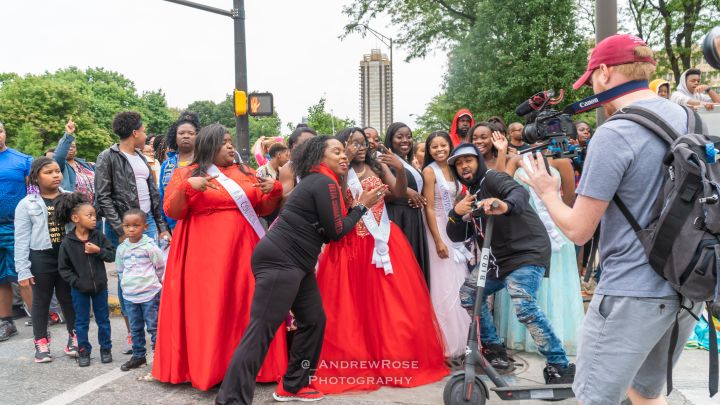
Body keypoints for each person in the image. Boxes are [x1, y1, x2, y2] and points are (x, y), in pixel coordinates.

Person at [520, 33, 703, 404]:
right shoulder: (690, 118)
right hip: (688, 287)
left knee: (594, 397)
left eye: (590, 80)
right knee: (645, 393)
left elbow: (578, 230)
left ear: (603, 73)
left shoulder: (615, 133)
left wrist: (546, 191)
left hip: (630, 293)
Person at [216, 136, 387, 404]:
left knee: (314, 320)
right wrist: (363, 205)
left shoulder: (319, 180)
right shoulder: (324, 182)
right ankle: (230, 399)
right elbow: (337, 232)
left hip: (296, 263)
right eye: (337, 151)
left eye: (345, 152)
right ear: (320, 157)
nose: (344, 156)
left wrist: (356, 206)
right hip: (281, 261)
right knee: (261, 331)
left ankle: (294, 385)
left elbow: (331, 225)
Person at [310, 128, 448, 394]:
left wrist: (398, 170)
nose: (361, 147)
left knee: (391, 302)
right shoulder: (339, 172)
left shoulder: (376, 166)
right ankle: (358, 361)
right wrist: (346, 163)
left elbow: (396, 195)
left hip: (384, 240)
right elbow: (337, 202)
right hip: (351, 242)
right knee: (354, 304)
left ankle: (393, 360)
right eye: (354, 144)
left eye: (364, 143)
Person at [153, 124, 286, 391]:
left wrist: (274, 190)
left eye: (230, 141)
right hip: (203, 253)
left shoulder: (246, 172)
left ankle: (256, 366)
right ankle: (210, 367)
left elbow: (262, 206)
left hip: (244, 249)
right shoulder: (186, 173)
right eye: (223, 142)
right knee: (210, 307)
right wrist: (187, 188)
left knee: (246, 305)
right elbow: (173, 211)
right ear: (209, 146)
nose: (230, 146)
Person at [445, 143, 574, 383]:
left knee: (524, 306)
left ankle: (560, 365)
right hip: (497, 259)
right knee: (469, 295)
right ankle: (495, 352)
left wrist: (503, 205)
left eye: (469, 160)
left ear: (479, 162)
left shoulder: (493, 178)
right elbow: (455, 235)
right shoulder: (468, 195)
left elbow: (519, 194)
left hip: (525, 251)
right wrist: (455, 212)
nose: (464, 166)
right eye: (459, 163)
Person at [95, 111, 170, 355]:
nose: (146, 134)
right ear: (135, 132)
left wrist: (160, 226)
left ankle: (157, 332)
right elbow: (103, 197)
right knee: (127, 276)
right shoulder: (107, 157)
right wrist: (121, 229)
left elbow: (153, 194)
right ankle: (132, 334)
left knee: (153, 274)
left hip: (147, 221)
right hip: (125, 226)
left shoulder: (140, 157)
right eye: (144, 130)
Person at [494, 154, 584, 356]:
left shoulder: (561, 163)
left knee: (557, 283)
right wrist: (508, 160)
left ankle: (558, 334)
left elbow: (569, 198)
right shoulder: (515, 160)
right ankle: (525, 336)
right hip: (525, 229)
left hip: (556, 228)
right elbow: (502, 188)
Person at [14, 157, 78, 362]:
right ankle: (41, 341)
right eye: (48, 172)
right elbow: (21, 239)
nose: (55, 175)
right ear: (36, 177)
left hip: (66, 257)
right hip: (41, 257)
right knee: (41, 301)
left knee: (68, 298)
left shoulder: (71, 198)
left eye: (57, 171)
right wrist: (23, 270)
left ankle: (75, 337)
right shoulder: (27, 204)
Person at [421, 131, 471, 361]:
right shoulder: (429, 171)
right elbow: (428, 207)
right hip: (439, 230)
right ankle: (446, 344)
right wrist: (439, 240)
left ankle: (464, 340)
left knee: (460, 279)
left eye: (443, 145)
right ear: (429, 150)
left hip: (455, 226)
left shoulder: (454, 168)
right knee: (444, 285)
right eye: (434, 147)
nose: (439, 149)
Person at [56, 192, 114, 367]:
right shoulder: (67, 242)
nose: (93, 219)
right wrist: (77, 282)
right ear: (75, 218)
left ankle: (106, 349)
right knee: (81, 322)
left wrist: (98, 251)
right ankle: (84, 351)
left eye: (94, 215)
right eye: (89, 215)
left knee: (103, 320)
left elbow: (112, 256)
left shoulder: (98, 236)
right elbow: (63, 269)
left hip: (100, 288)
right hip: (79, 290)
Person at [116, 209, 164, 372]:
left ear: (145, 226)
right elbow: (120, 269)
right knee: (135, 327)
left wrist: (155, 282)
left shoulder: (150, 247)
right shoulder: (122, 248)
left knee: (153, 326)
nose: (131, 229)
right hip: (130, 295)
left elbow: (159, 266)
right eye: (127, 226)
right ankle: (138, 356)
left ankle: (160, 357)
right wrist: (126, 285)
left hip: (150, 293)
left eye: (136, 225)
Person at [383, 123, 429, 287]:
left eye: (408, 136)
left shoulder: (407, 162)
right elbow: (385, 191)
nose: (405, 140)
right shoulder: (386, 161)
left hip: (414, 217)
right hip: (398, 217)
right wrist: (407, 192)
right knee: (403, 268)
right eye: (399, 136)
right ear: (390, 139)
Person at [0, 121, 33, 341]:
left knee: (26, 275)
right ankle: (6, 322)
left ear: (5, 133)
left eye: (0, 131)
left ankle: (41, 323)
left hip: (16, 227)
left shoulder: (23, 160)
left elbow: (36, 189)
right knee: (1, 279)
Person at [159, 111, 200, 232]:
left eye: (191, 133)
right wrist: (164, 227)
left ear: (198, 137)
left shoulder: (205, 162)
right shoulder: (167, 165)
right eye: (181, 133)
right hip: (174, 225)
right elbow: (162, 196)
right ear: (175, 137)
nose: (186, 136)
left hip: (199, 223)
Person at [54, 119, 96, 203]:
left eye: (73, 146)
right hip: (73, 206)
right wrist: (68, 134)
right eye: (68, 146)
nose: (70, 148)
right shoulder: (60, 166)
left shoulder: (86, 165)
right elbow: (59, 155)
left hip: (94, 207)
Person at [279, 125, 317, 203]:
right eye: (306, 143)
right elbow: (284, 201)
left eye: (314, 144)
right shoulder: (289, 168)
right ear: (294, 146)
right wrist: (309, 179)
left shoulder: (321, 165)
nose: (311, 147)